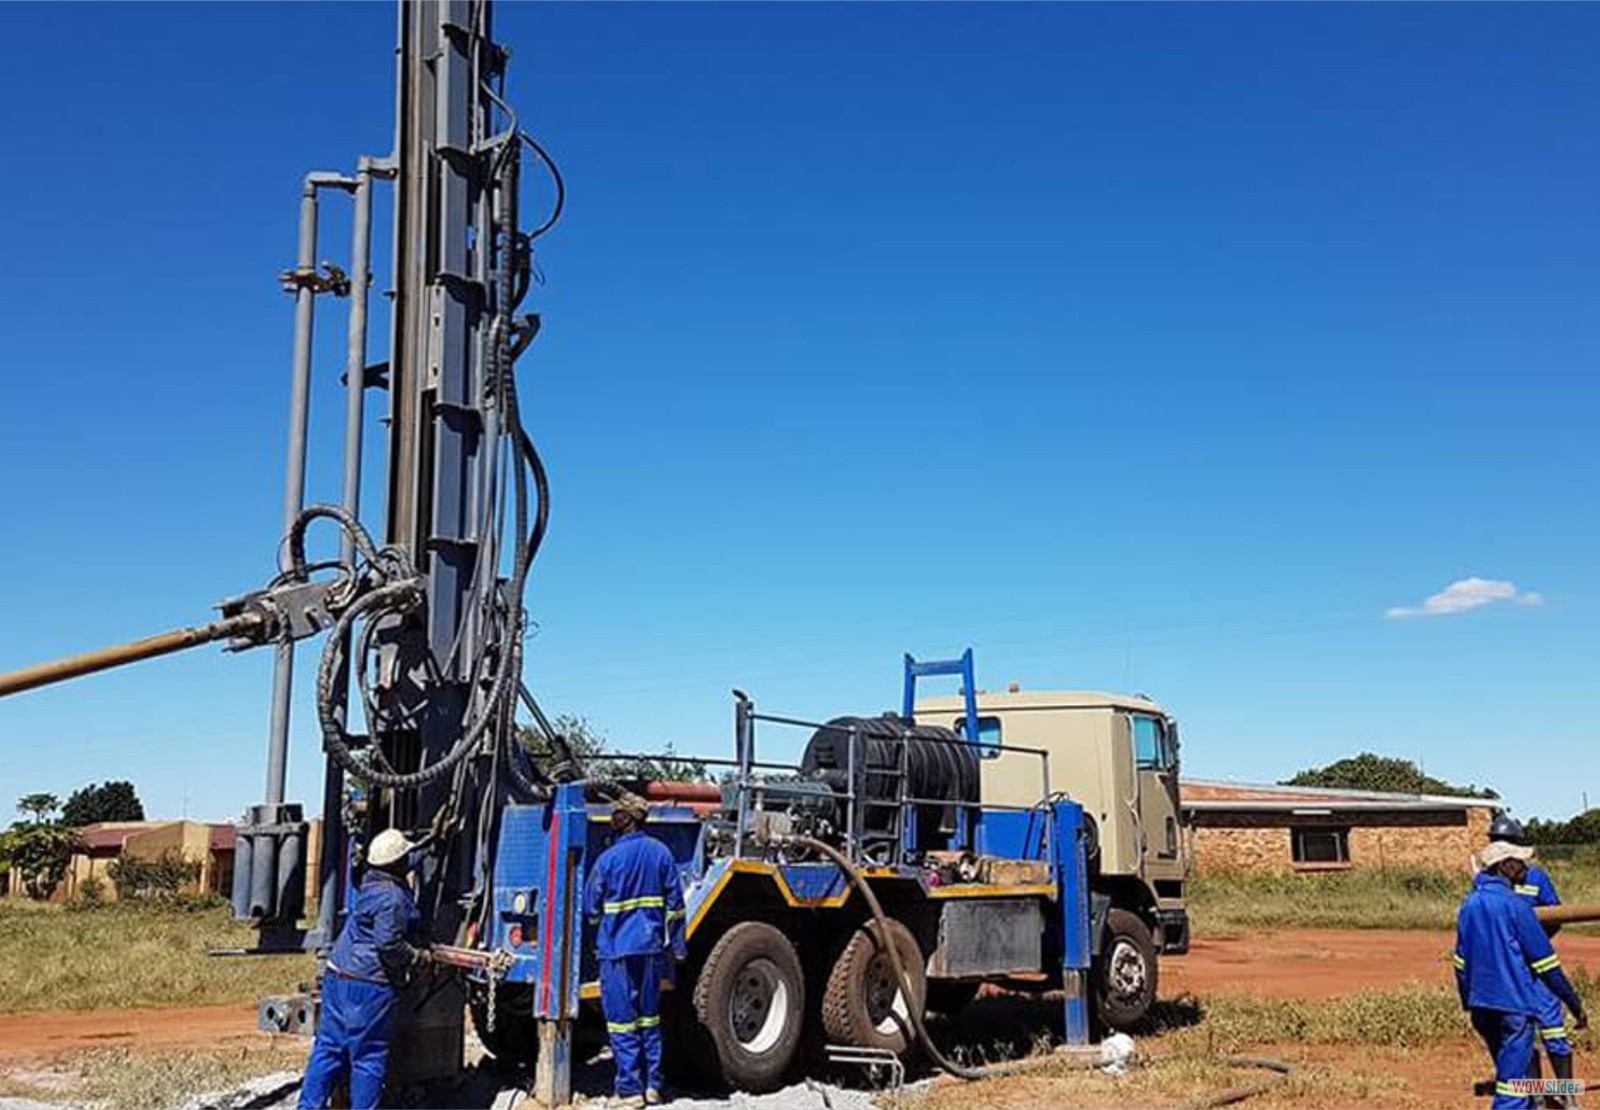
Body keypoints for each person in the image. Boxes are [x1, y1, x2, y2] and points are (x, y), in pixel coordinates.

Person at [299, 828, 433, 1110]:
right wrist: (417, 957)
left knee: (328, 1048)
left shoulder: (369, 882)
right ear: (397, 863)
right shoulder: (393, 898)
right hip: (369, 985)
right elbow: (389, 945)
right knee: (369, 1057)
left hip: (338, 975)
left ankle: (308, 1107)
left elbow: (406, 860)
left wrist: (433, 841)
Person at [1454, 839, 1587, 1109]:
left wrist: (1470, 1001)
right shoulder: (1515, 906)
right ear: (1505, 866)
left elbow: (1460, 963)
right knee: (1512, 1090)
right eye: (1519, 862)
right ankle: (1557, 1097)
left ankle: (1550, 1096)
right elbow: (1547, 965)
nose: (1524, 867)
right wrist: (1574, 1005)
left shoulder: (1468, 905)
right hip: (1513, 1007)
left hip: (1482, 1008)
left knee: (1510, 1076)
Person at [583, 794, 687, 1108]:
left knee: (621, 1022)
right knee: (649, 1019)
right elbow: (676, 908)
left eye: (616, 814)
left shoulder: (608, 859)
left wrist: (601, 928)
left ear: (626, 819)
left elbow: (590, 908)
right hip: (651, 950)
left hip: (616, 953)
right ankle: (653, 1086)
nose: (612, 818)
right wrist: (678, 948)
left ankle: (630, 1091)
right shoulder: (661, 853)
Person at [1490, 814, 1574, 1092]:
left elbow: (1556, 914)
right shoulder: (1489, 884)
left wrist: (1533, 942)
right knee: (1520, 1034)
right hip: (1509, 971)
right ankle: (1536, 1095)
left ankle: (1566, 1095)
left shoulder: (1537, 878)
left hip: (1537, 968)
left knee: (1554, 1032)